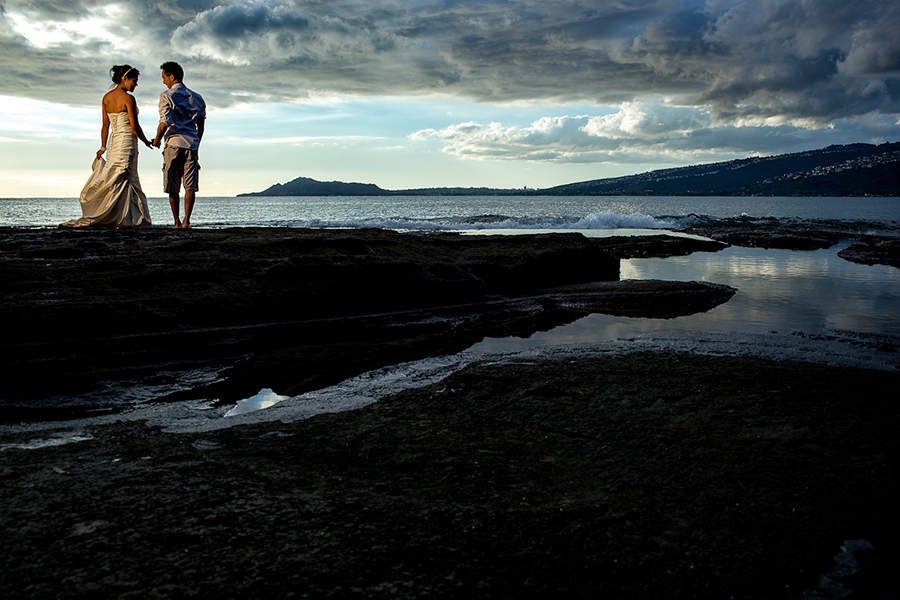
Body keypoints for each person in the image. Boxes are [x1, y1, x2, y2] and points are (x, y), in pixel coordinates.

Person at [61, 65, 154, 228]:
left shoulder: (106, 98)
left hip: (114, 142)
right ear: (124, 79)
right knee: (127, 176)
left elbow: (105, 125)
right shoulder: (128, 99)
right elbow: (134, 126)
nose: (135, 85)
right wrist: (146, 141)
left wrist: (103, 147)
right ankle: (128, 217)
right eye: (134, 81)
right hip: (126, 141)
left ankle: (120, 215)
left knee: (118, 176)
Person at [152, 61, 206, 229]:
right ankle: (186, 221)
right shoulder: (196, 97)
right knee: (190, 185)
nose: (163, 82)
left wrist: (157, 139)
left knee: (172, 185)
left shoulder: (167, 95)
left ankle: (176, 221)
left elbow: (165, 122)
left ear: (172, 76)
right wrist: (197, 142)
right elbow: (201, 124)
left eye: (164, 77)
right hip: (192, 143)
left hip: (174, 143)